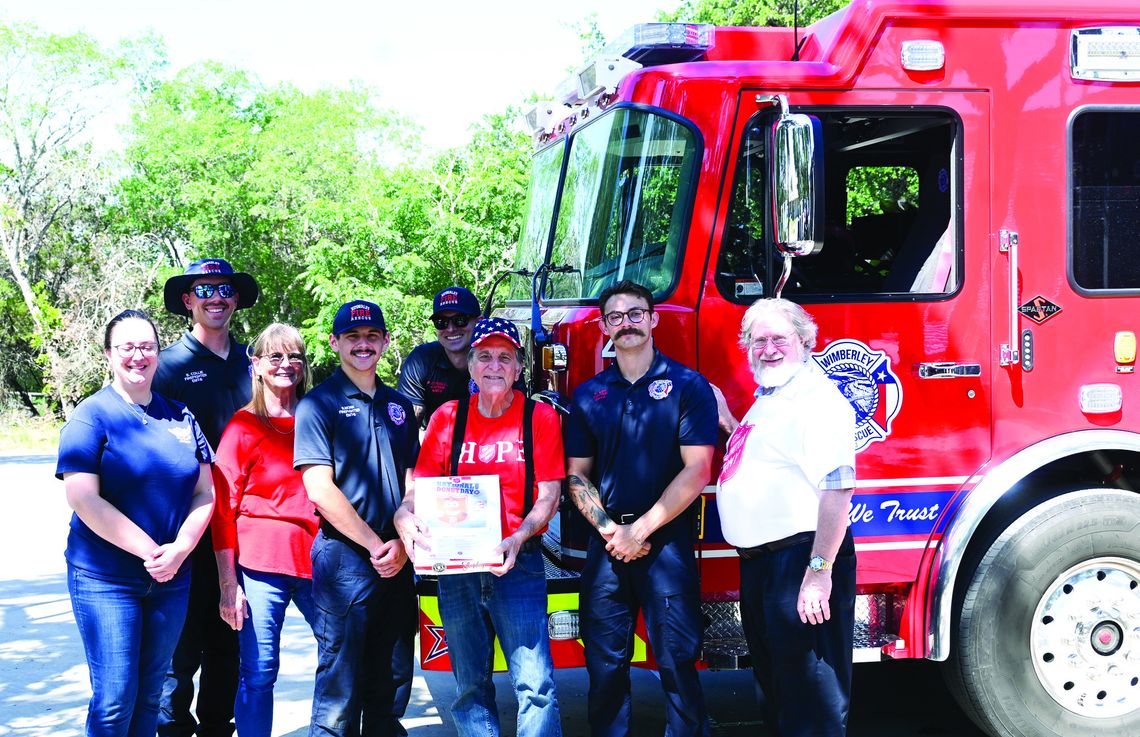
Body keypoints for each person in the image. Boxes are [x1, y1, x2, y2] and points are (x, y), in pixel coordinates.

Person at [395, 317, 563, 737]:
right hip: (458, 571)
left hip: (518, 564)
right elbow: (422, 484)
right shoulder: (449, 418)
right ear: (469, 366)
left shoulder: (539, 418)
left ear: (519, 368)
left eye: (504, 357)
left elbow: (549, 494)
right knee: (469, 688)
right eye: (484, 356)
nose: (494, 365)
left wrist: (520, 535)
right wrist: (405, 511)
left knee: (536, 687)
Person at [564, 280, 717, 737]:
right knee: (605, 668)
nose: (626, 323)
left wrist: (642, 530)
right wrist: (614, 531)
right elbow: (576, 475)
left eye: (636, 313)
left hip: (666, 546)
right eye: (615, 316)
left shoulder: (689, 387)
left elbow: (698, 469)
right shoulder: (589, 395)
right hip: (607, 548)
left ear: (653, 320)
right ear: (604, 327)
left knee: (677, 662)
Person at [56, 309, 215, 737]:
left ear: (158, 354)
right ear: (109, 354)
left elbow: (205, 493)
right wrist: (151, 551)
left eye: (146, 346)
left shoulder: (181, 416)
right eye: (126, 347)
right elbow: (83, 498)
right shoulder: (91, 417)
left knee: (150, 697)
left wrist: (180, 549)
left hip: (172, 578)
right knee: (114, 701)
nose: (137, 356)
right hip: (106, 579)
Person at [715, 297, 857, 737]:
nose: (769, 349)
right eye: (759, 341)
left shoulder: (816, 399)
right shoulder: (773, 398)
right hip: (764, 565)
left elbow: (837, 489)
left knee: (811, 696)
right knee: (778, 689)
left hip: (799, 560)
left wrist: (818, 573)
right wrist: (728, 422)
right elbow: (772, 458)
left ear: (805, 340)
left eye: (780, 338)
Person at [294, 300, 420, 737]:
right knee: (340, 690)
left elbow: (412, 480)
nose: (363, 345)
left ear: (385, 341)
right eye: (353, 337)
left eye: (372, 336)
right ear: (335, 343)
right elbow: (319, 488)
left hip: (399, 560)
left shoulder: (398, 405)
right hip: (346, 561)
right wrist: (374, 545)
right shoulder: (317, 405)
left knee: (391, 680)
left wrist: (403, 542)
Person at [156, 257, 260, 737]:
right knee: (181, 642)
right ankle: (172, 727)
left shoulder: (253, 364)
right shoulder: (167, 366)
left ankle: (219, 727)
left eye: (225, 289)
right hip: (185, 522)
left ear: (236, 299)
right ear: (187, 300)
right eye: (204, 289)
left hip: (242, 525)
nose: (215, 297)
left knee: (230, 636)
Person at [211, 323, 319, 737]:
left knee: (340, 658)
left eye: (294, 356)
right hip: (260, 566)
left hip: (317, 560)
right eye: (275, 356)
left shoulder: (318, 417)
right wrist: (227, 584)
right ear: (255, 365)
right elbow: (223, 510)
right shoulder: (242, 427)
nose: (286, 365)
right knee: (259, 670)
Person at [397, 286, 481, 427]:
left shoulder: (497, 361)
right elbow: (407, 426)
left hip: (490, 445)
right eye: (441, 322)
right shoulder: (421, 360)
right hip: (438, 445)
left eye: (460, 320)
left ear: (479, 321)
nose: (450, 328)